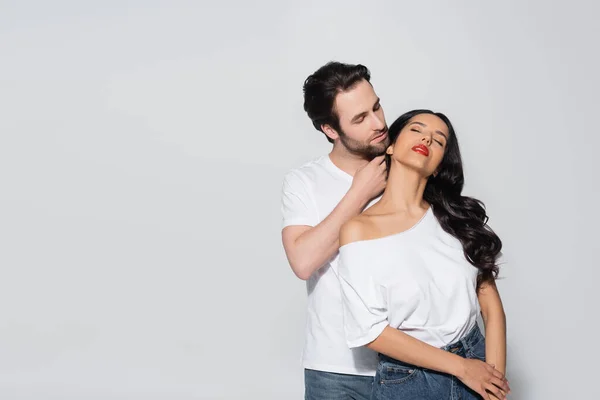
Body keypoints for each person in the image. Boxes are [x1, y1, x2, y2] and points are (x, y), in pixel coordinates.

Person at [338, 110, 509, 400]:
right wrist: (462, 368)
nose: (427, 138)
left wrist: (493, 383)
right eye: (416, 130)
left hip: (479, 364)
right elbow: (370, 331)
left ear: (440, 163)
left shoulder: (456, 221)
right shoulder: (359, 229)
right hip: (408, 380)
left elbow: (492, 309)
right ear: (390, 145)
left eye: (439, 140)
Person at [280, 61, 389, 399]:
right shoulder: (304, 182)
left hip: (414, 365)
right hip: (337, 370)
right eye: (360, 118)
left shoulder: (410, 163)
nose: (379, 123)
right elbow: (303, 262)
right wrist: (360, 193)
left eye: (376, 106)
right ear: (330, 130)